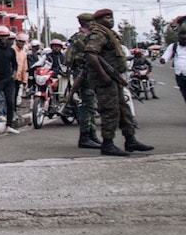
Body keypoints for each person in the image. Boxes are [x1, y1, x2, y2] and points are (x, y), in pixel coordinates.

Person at [83, 9, 154, 156]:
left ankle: (130, 140)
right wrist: (104, 75)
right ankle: (108, 144)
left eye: (111, 17)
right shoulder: (98, 33)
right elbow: (91, 54)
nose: (111, 20)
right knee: (110, 110)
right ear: (99, 20)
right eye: (106, 17)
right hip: (105, 80)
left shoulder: (109, 33)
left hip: (114, 77)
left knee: (123, 109)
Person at [65, 13, 101, 149]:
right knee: (88, 104)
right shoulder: (82, 37)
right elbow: (83, 56)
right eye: (92, 22)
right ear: (86, 23)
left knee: (92, 105)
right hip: (84, 73)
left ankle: (92, 135)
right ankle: (85, 137)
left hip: (85, 73)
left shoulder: (82, 36)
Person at [0, 27, 20, 134]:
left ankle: (9, 125)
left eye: (5, 36)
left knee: (10, 102)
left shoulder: (11, 50)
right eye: (0, 36)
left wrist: (14, 74)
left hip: (9, 80)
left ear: (8, 37)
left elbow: (15, 64)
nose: (3, 38)